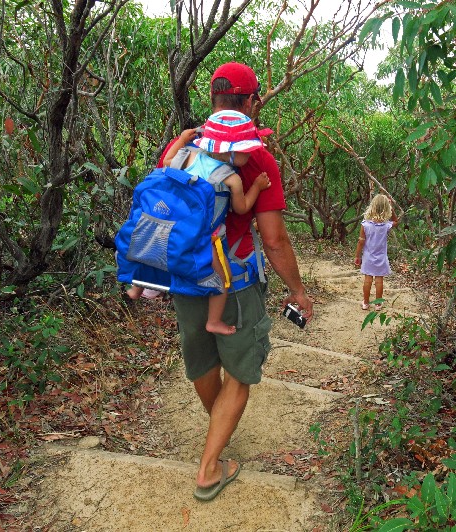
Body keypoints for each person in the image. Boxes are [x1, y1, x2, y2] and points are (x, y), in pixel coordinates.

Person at [160, 62, 313, 501]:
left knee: (202, 359)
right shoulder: (256, 157)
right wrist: (298, 292)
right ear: (251, 102)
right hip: (235, 280)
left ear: (214, 100)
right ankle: (209, 468)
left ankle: (217, 432)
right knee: (240, 372)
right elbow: (274, 239)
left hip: (184, 277)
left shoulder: (184, 146)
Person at [127, 111, 272, 337]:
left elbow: (166, 163)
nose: (251, 154)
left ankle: (136, 289)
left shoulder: (188, 155)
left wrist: (182, 140)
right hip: (203, 237)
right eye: (247, 150)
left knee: (153, 256)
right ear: (232, 152)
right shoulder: (231, 178)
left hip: (170, 226)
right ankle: (213, 321)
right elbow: (241, 208)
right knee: (219, 282)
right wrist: (257, 186)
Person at [354, 194, 399, 311]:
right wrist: (392, 207)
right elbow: (396, 221)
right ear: (386, 209)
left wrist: (357, 256)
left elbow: (360, 242)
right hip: (381, 257)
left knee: (367, 280)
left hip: (368, 257)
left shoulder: (365, 224)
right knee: (379, 280)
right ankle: (378, 304)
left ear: (372, 206)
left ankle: (365, 302)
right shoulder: (386, 225)